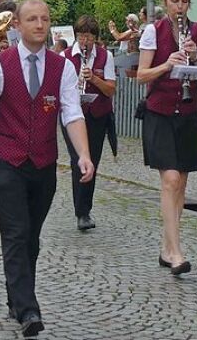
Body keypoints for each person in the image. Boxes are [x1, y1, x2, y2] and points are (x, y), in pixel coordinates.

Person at [0, 0, 93, 338]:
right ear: (18, 26)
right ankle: (28, 309)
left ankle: (16, 297)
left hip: (43, 162)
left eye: (44, 19)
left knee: (32, 238)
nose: (39, 25)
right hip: (6, 161)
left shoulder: (62, 67)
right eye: (31, 19)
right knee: (15, 234)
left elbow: (71, 113)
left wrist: (83, 153)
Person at [136, 0, 197, 277]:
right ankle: (177, 251)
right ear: (165, 2)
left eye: (183, 2)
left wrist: (194, 58)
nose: (178, 7)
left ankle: (167, 248)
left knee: (180, 183)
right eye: (173, 1)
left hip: (188, 114)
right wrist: (167, 64)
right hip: (159, 112)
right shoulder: (151, 32)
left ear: (189, 3)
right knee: (169, 179)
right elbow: (142, 75)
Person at [62, 15, 116, 231]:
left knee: (92, 160)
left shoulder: (106, 56)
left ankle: (86, 208)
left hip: (97, 116)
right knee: (78, 159)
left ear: (96, 38)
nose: (85, 42)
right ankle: (81, 212)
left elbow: (111, 90)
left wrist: (93, 78)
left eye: (89, 37)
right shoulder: (65, 57)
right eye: (81, 37)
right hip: (72, 115)